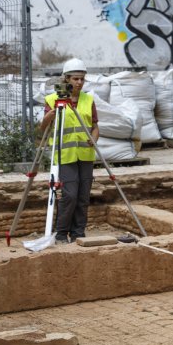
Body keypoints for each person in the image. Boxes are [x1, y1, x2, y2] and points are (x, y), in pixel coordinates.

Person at [39, 58, 100, 244]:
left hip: (86, 156)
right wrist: (56, 107)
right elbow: (43, 128)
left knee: (83, 197)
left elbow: (95, 126)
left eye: (82, 79)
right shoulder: (52, 99)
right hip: (65, 156)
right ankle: (61, 233)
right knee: (70, 196)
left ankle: (78, 233)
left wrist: (94, 138)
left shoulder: (88, 100)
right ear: (66, 79)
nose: (79, 83)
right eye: (75, 79)